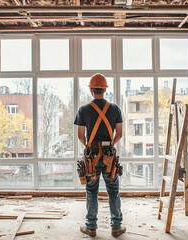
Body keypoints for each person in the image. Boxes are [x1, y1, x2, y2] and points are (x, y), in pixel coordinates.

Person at [74, 73, 126, 238]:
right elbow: (120, 134)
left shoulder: (84, 110)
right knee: (113, 190)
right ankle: (116, 227)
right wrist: (109, 145)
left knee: (91, 191)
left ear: (91, 90)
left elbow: (81, 136)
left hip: (92, 157)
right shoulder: (115, 109)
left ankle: (91, 227)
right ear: (104, 89)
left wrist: (90, 147)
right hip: (109, 156)